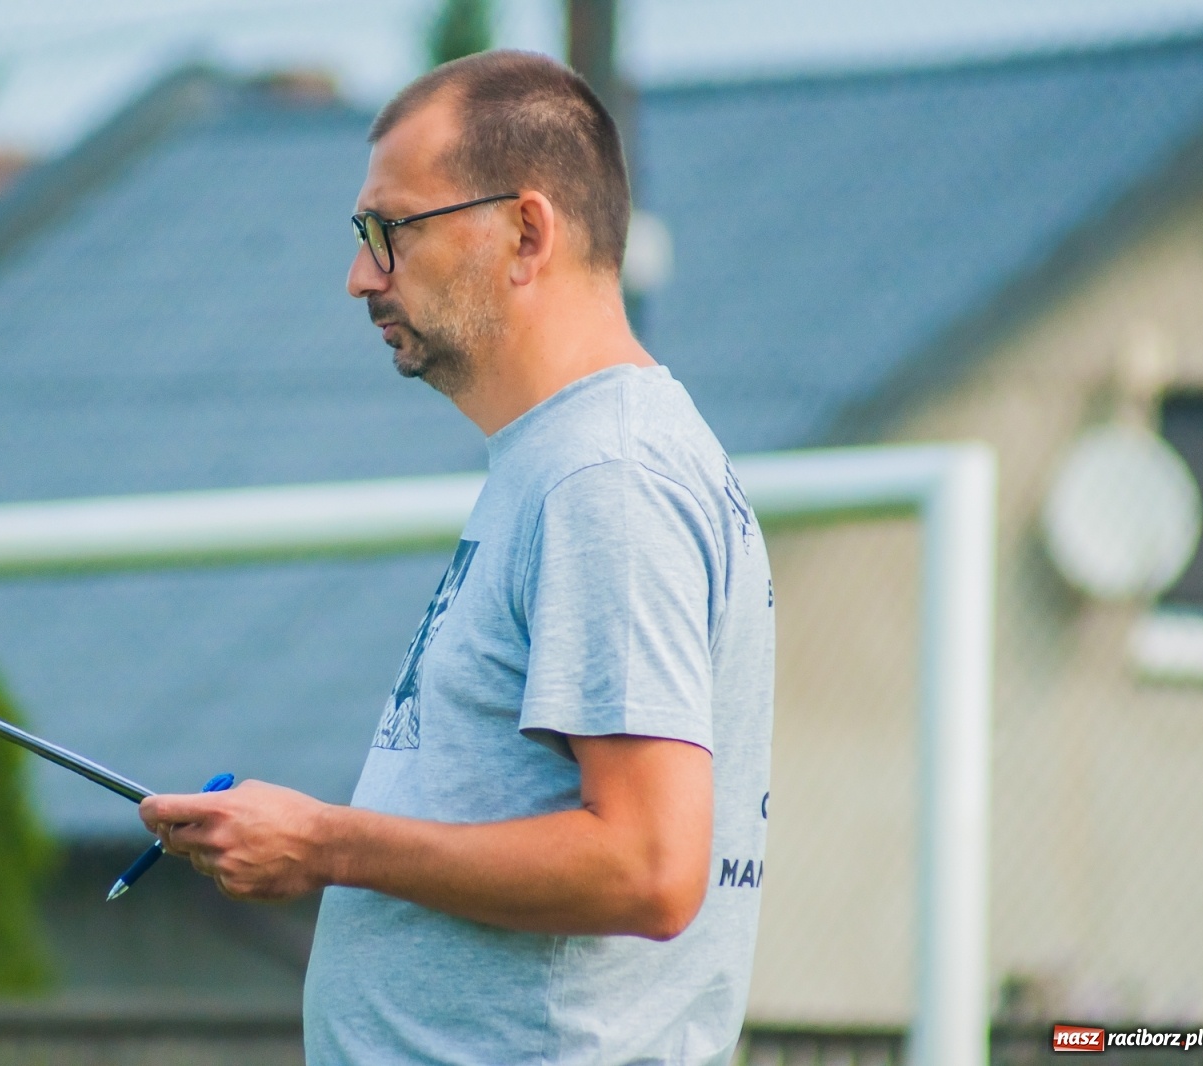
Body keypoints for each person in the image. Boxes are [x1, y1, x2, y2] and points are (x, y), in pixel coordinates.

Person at [141, 49, 774, 1066]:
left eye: (390, 230)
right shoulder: (566, 463)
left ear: (526, 231)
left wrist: (325, 843)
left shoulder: (602, 476)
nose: (359, 276)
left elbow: (649, 866)